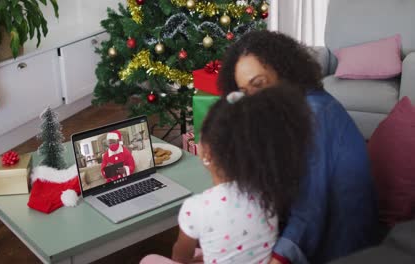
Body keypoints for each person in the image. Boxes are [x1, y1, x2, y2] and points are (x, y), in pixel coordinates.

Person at [217, 30, 378, 264]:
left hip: (340, 242)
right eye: (245, 92)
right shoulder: (290, 106)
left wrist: (277, 258)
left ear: (283, 71)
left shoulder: (313, 115)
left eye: (259, 84)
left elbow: (310, 211)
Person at [141, 85, 313, 264]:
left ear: (206, 153)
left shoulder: (196, 208)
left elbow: (181, 257)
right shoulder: (269, 194)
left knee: (149, 259)